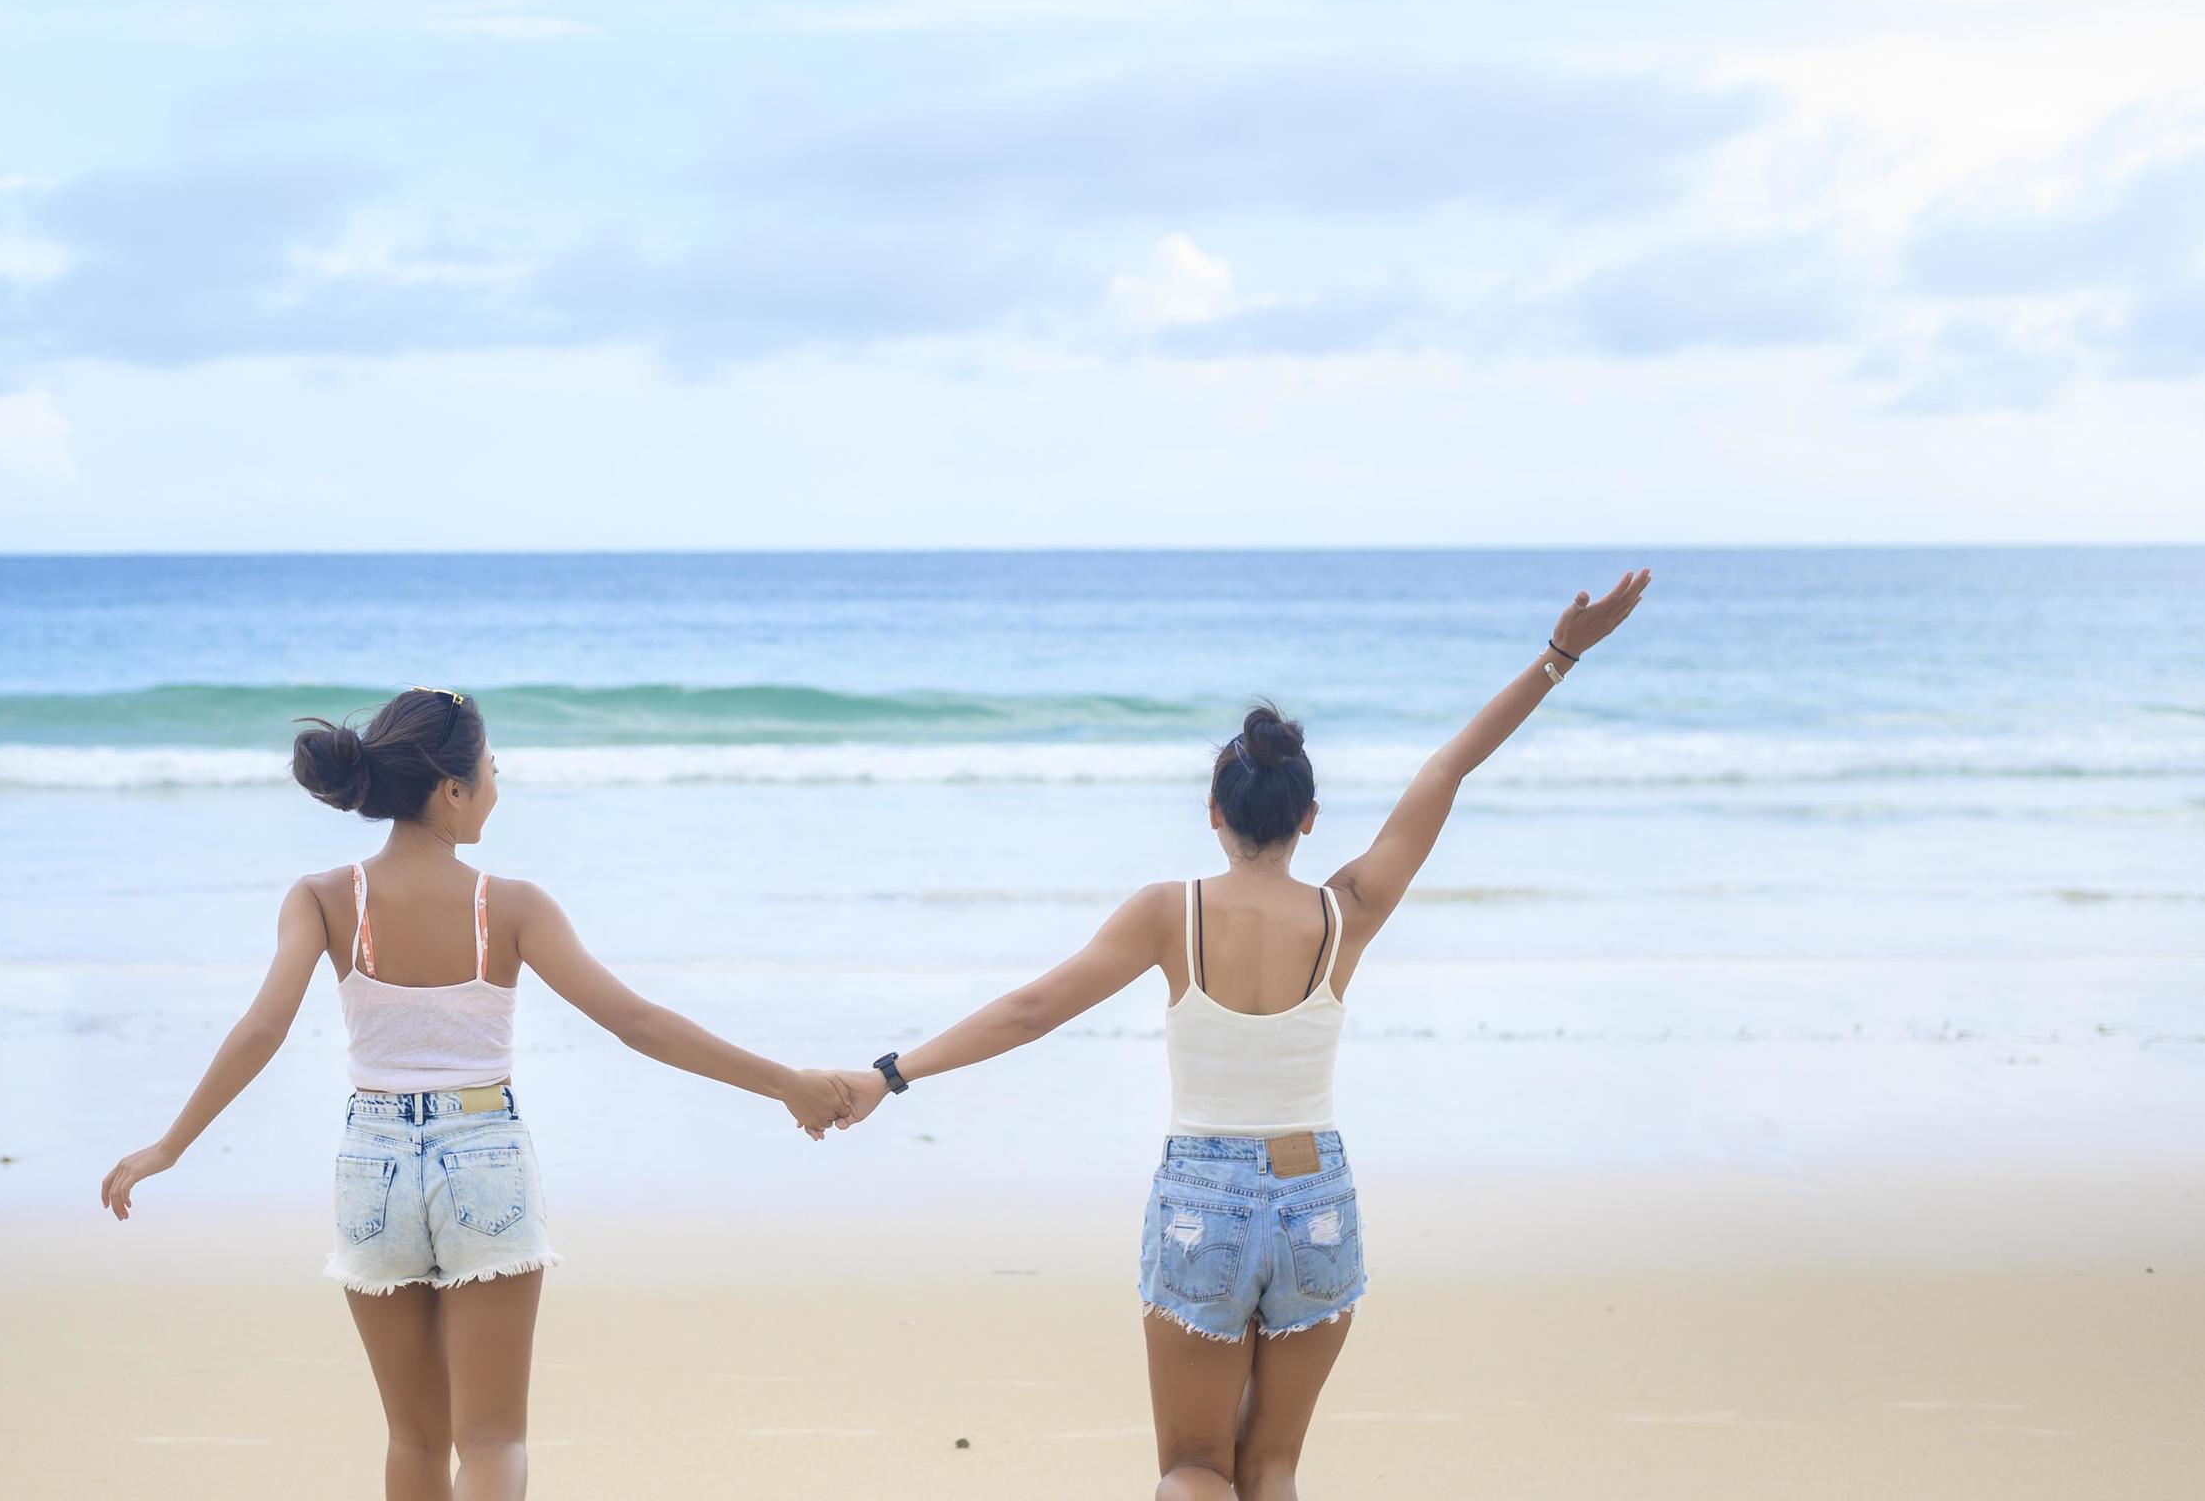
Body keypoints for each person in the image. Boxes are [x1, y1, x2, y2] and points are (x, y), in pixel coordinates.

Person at [828, 572, 1650, 1500]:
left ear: (1214, 813)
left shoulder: (1166, 915)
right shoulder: (1349, 912)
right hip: (1318, 1198)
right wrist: (1560, 655)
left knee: (1193, 1468)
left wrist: (889, 1074)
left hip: (1201, 1201)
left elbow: (1028, 1012)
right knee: (1273, 1467)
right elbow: (1447, 771)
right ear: (1307, 818)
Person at [99, 684, 852, 1501]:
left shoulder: (321, 897)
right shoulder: (512, 906)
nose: (497, 783)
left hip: (371, 1164)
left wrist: (171, 1144)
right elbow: (634, 1022)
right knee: (492, 1439)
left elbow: (261, 1029)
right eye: (491, 769)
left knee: (413, 1440)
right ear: (452, 789)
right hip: (483, 1153)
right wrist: (787, 1084)